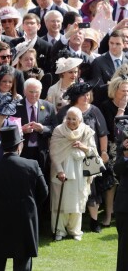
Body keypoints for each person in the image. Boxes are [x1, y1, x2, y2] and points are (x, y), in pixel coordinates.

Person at [0, 126, 48, 271]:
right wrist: (29, 205)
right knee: (22, 262)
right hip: (24, 221)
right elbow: (43, 192)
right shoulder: (32, 165)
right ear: (20, 145)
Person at [57, 81, 109, 233]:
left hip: (89, 154)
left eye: (88, 95)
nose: (86, 97)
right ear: (75, 97)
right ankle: (68, 224)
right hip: (69, 157)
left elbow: (102, 133)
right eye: (83, 95)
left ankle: (94, 221)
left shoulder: (95, 111)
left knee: (92, 189)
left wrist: (104, 151)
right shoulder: (66, 112)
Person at [50, 106, 98, 241]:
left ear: (80, 119)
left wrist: (82, 147)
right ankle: (59, 230)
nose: (71, 121)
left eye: (74, 119)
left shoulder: (86, 131)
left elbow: (93, 153)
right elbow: (54, 153)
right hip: (62, 171)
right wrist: (59, 171)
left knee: (78, 201)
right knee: (60, 200)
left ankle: (75, 230)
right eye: (68, 118)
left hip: (80, 172)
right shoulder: (59, 130)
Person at [100, 75, 128, 227]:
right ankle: (108, 214)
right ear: (115, 91)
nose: (126, 94)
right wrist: (122, 108)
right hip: (113, 145)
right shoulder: (106, 105)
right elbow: (115, 129)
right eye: (123, 91)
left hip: (127, 145)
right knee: (111, 183)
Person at [114, 145, 128, 271]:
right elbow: (116, 170)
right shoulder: (122, 147)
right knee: (124, 249)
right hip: (125, 205)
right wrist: (126, 156)